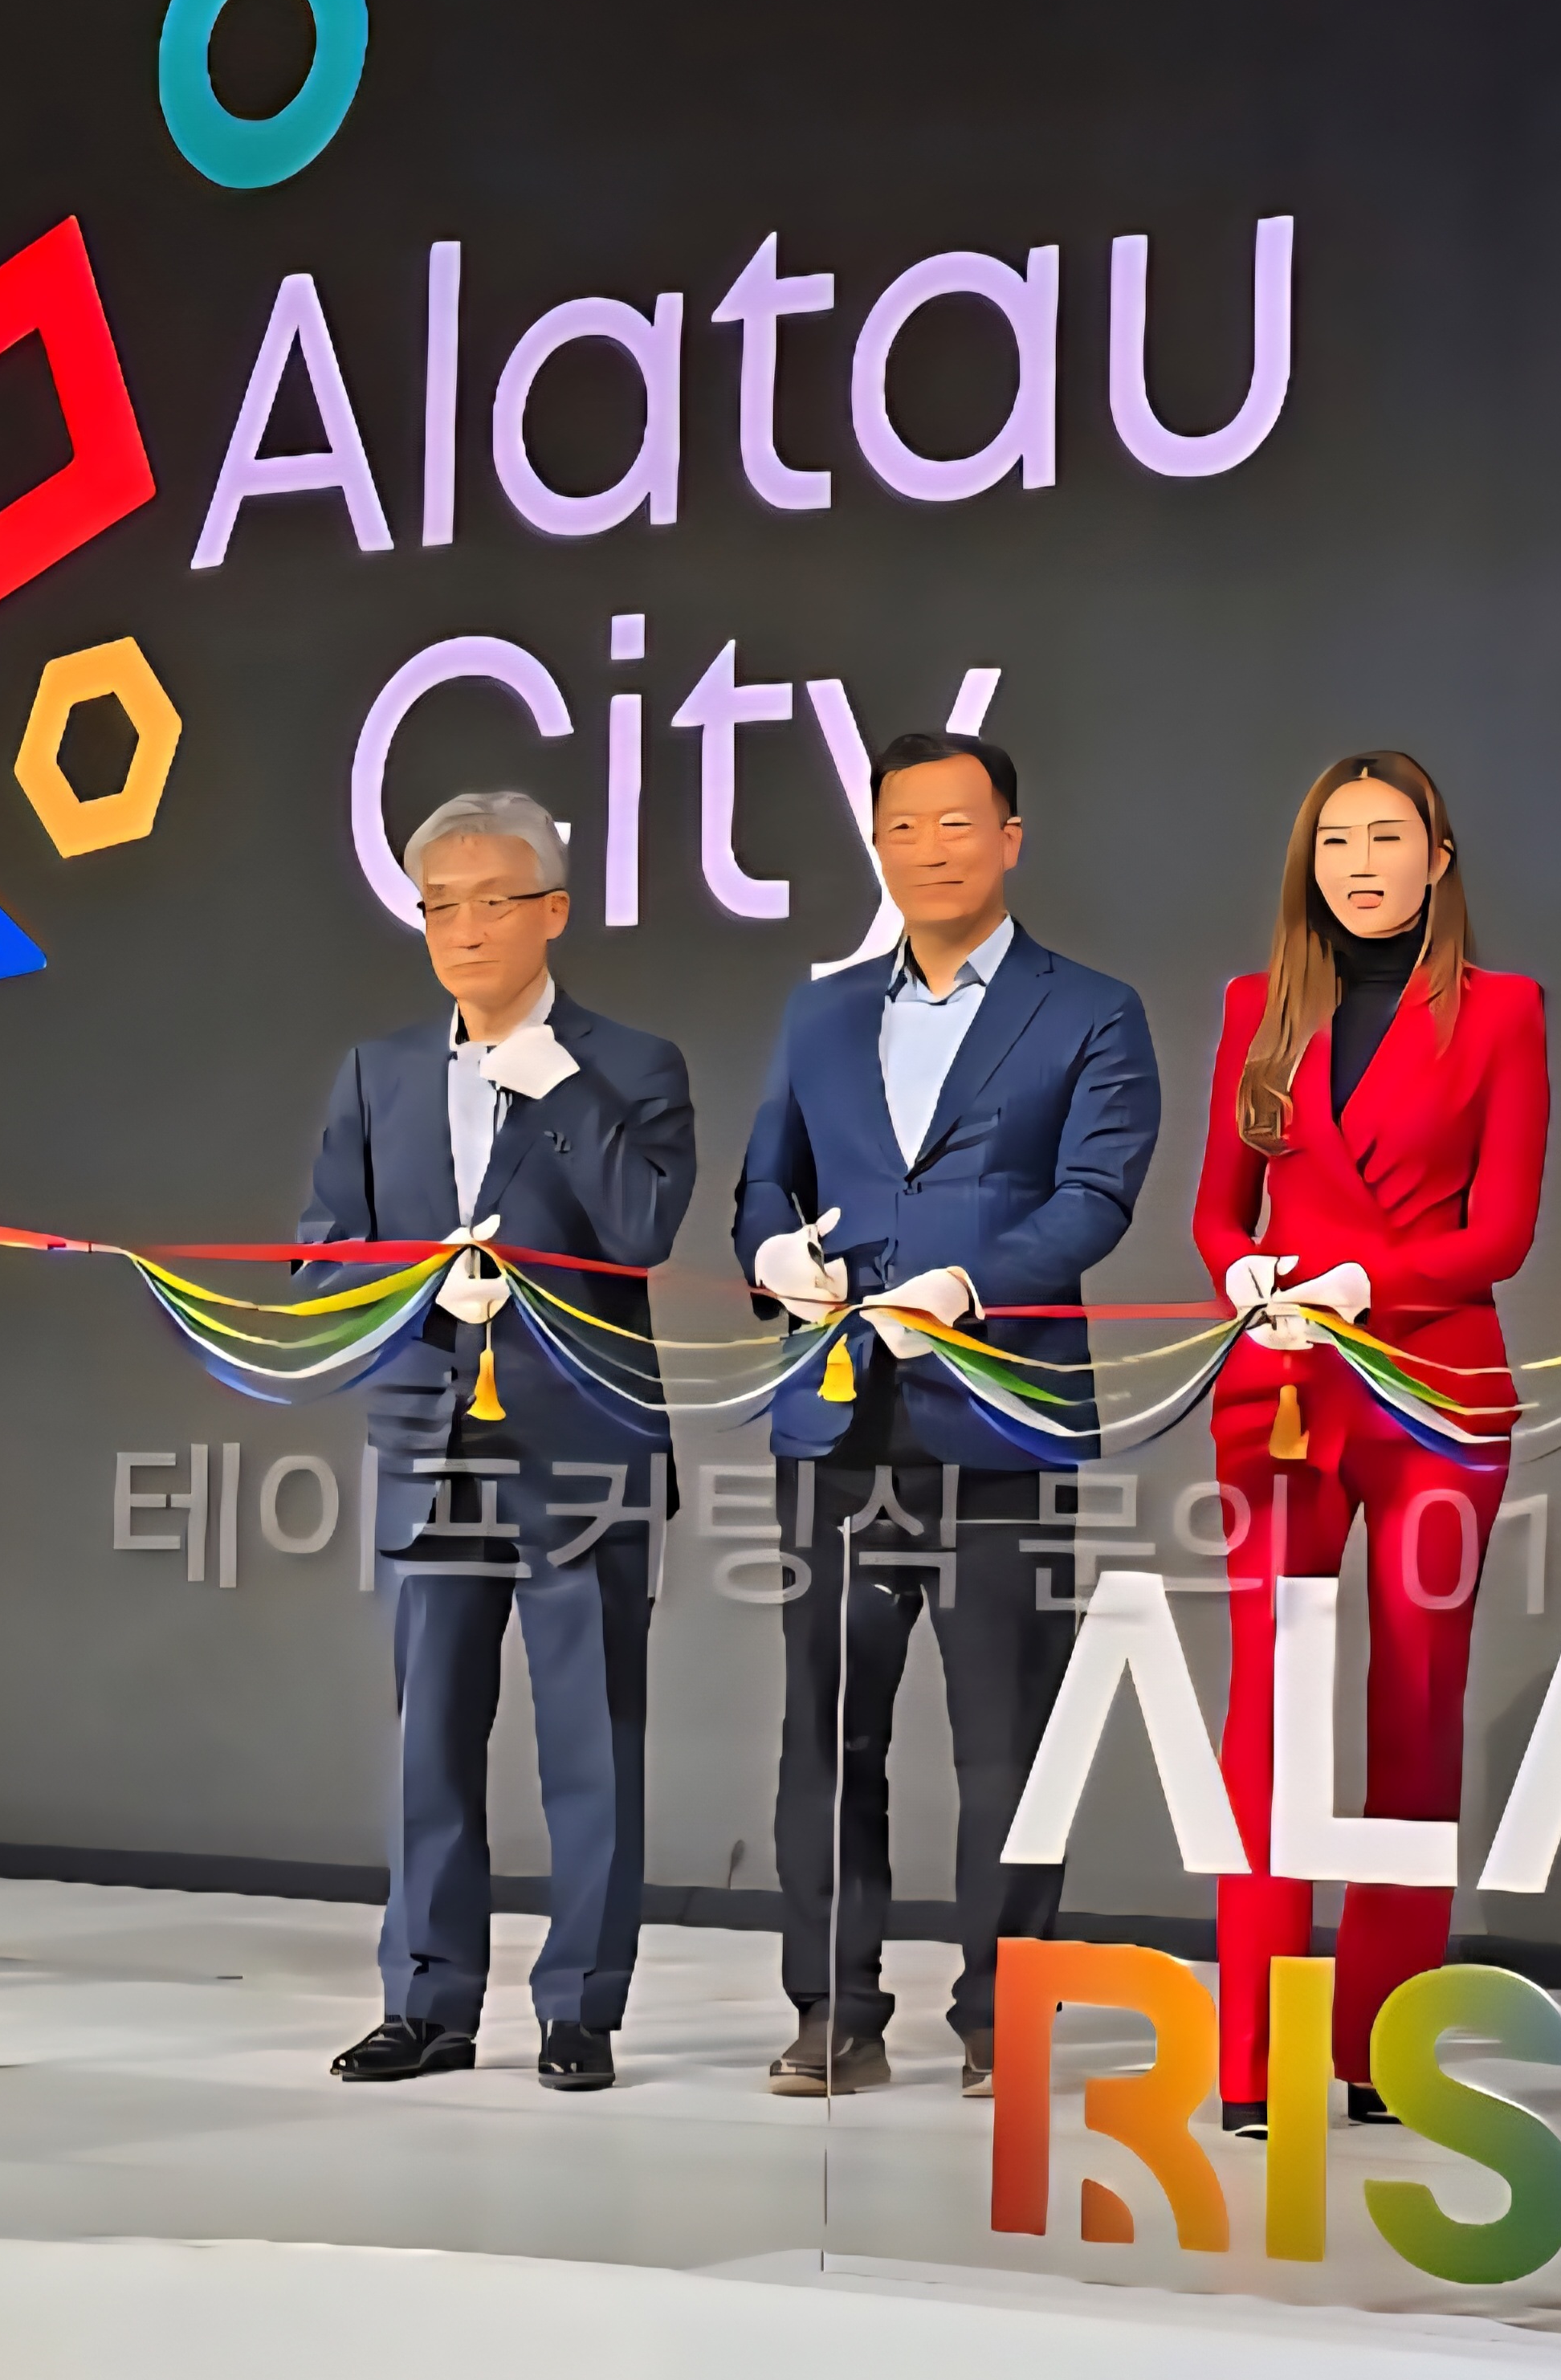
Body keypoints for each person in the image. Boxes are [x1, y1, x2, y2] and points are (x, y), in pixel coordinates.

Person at [733, 731, 1159, 2102]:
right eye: (903, 827)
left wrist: (974, 1285)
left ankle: (1002, 2016)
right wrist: (773, 1257)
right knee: (827, 1732)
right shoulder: (819, 1015)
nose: (930, 850)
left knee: (1009, 1742)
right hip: (838, 1422)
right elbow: (765, 1183)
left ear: (1011, 837)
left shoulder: (1091, 1010)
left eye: (957, 823)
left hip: (1001, 1418)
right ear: (877, 845)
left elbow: (1095, 1196)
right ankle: (833, 2012)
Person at [310, 790, 696, 2095]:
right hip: (431, 1440)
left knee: (591, 1742)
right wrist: (421, 1287)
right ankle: (427, 2002)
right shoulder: (378, 1072)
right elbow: (320, 1257)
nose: (464, 930)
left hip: (584, 1449)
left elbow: (644, 1231)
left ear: (554, 912)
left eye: (491, 902)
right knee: (430, 1740)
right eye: (440, 908)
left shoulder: (633, 1065)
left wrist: (563, 1089)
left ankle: (581, 2007)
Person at [1192, 750, 1548, 2137]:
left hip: (1434, 1394)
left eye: (1388, 837)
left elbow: (1501, 1233)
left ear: (1438, 859)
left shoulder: (1503, 1010)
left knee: (1414, 1707)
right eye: (1336, 839)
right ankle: (1252, 2057)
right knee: (1268, 1715)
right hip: (1280, 1391)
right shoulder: (1258, 1005)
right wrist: (1239, 1269)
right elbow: (1218, 1209)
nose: (1360, 863)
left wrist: (1365, 1281)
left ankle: (1381, 2043)